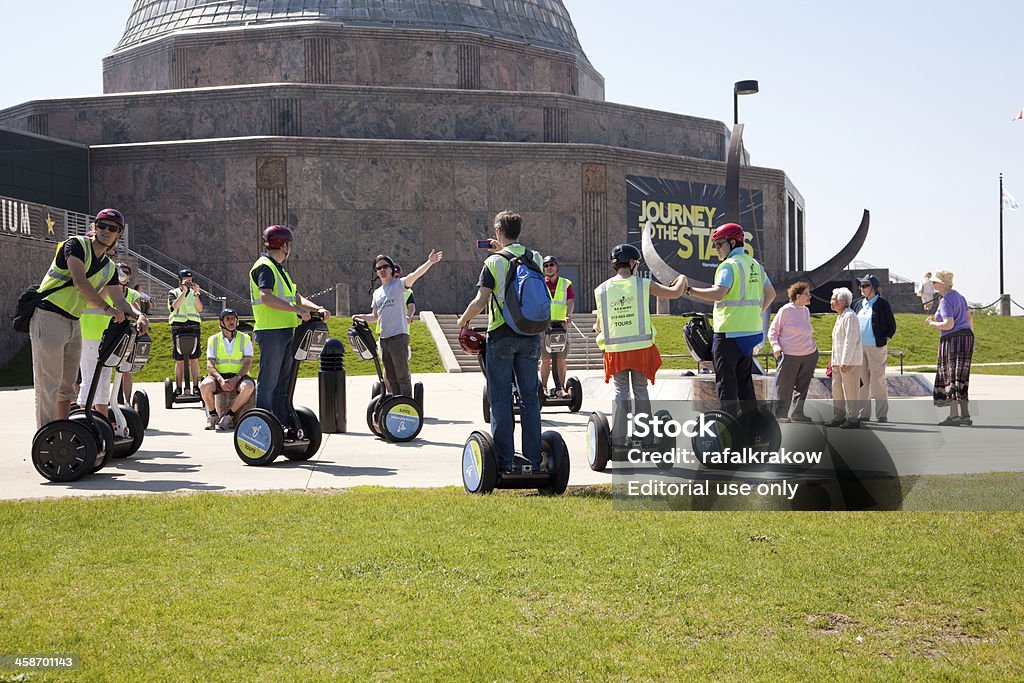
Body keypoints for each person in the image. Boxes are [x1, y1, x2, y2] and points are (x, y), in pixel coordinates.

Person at [30, 209, 150, 430]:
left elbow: (121, 301)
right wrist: (108, 309)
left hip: (73, 322)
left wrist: (139, 315)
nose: (106, 230)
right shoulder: (75, 245)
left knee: (67, 386)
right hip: (49, 316)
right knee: (48, 385)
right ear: (94, 227)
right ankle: (46, 438)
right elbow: (80, 282)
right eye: (102, 225)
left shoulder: (108, 268)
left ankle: (62, 432)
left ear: (118, 234)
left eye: (112, 228)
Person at [456, 210, 544, 473]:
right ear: (518, 230)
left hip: (502, 335)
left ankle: (506, 461)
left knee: (501, 399)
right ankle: (534, 461)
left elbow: (480, 300)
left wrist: (463, 321)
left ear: (498, 232)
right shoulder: (535, 257)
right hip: (530, 334)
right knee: (530, 399)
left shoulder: (494, 262)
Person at [594, 244, 686, 445]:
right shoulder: (643, 284)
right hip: (640, 350)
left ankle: (617, 439)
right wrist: (682, 279)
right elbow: (675, 292)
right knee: (641, 390)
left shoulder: (601, 290)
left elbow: (600, 324)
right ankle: (645, 437)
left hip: (615, 351)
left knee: (620, 392)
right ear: (633, 263)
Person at [685, 223, 776, 411]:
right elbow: (771, 294)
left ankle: (729, 429)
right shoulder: (755, 265)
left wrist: (690, 291)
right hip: (750, 333)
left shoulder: (728, 266)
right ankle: (752, 429)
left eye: (719, 244)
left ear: (732, 242)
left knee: (726, 385)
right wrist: (756, 311)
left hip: (728, 334)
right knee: (745, 383)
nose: (717, 249)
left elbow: (719, 293)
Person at [249, 225, 331, 427]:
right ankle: (262, 426)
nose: (290, 248)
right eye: (289, 244)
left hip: (286, 330)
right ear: (284, 245)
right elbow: (266, 297)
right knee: (269, 382)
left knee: (282, 384)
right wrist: (297, 311)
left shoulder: (279, 269)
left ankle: (281, 424)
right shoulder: (265, 266)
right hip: (271, 331)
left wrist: (316, 308)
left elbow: (295, 297)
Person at [353, 250, 443, 397]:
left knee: (402, 376)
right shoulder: (377, 293)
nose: (382, 270)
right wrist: (359, 317)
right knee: (391, 377)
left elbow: (415, 275)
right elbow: (375, 316)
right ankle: (396, 404)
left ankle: (407, 406)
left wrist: (430, 262)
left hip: (399, 336)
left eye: (385, 266)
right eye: (378, 268)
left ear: (391, 269)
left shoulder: (399, 285)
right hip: (384, 339)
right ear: (376, 272)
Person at [76, 261, 148, 416]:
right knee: (89, 380)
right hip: (89, 336)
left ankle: (103, 421)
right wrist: (109, 281)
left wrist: (140, 315)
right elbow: (95, 299)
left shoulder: (112, 287)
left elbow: (124, 303)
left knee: (103, 382)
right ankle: (84, 418)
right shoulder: (96, 284)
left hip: (108, 338)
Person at [925, 270, 974, 426]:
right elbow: (969, 317)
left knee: (951, 376)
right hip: (966, 337)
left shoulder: (945, 300)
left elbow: (948, 324)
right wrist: (969, 336)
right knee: (962, 377)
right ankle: (965, 416)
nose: (933, 284)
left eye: (935, 282)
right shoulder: (960, 297)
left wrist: (932, 323)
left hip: (952, 339)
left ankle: (954, 416)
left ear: (942, 284)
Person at [767, 281, 818, 422]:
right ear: (797, 296)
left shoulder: (806, 311)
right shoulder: (786, 310)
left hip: (808, 355)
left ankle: (798, 413)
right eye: (807, 294)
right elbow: (773, 331)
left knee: (803, 386)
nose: (809, 297)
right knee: (785, 387)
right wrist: (776, 348)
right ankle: (781, 415)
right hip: (789, 355)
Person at [199, 308, 255, 431]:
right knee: (205, 385)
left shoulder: (245, 338)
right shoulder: (213, 340)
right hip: (219, 377)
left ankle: (229, 415)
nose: (231, 322)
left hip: (239, 376)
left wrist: (236, 378)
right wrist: (220, 379)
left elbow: (248, 363)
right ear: (221, 323)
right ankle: (213, 415)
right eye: (228, 319)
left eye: (233, 319)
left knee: (249, 386)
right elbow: (210, 365)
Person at [853, 274, 897, 423]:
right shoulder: (857, 304)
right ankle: (863, 413)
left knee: (878, 380)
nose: (862, 288)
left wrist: (885, 339)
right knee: (862, 381)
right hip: (859, 348)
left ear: (873, 288)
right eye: (861, 285)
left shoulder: (882, 304)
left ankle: (882, 414)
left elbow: (891, 325)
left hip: (876, 347)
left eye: (865, 286)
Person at [827, 287, 864, 429]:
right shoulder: (840, 316)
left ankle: (854, 419)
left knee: (851, 390)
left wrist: (845, 361)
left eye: (833, 299)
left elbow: (851, 340)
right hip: (837, 362)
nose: (831, 302)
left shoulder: (850, 316)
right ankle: (838, 417)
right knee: (837, 391)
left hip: (848, 362)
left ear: (842, 302)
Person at [540, 255, 575, 398]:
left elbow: (570, 300)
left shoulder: (566, 283)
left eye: (551, 265)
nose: (549, 267)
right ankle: (543, 387)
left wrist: (568, 315)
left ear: (557, 267)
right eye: (546, 265)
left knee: (561, 358)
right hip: (544, 324)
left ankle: (560, 388)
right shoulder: (540, 283)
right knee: (545, 359)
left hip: (561, 324)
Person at [114, 262, 150, 400]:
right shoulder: (108, 290)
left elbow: (136, 310)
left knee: (126, 369)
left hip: (127, 334)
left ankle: (126, 401)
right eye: (120, 271)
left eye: (126, 273)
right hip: (111, 332)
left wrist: (140, 317)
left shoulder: (133, 294)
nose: (123, 275)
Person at [167, 269, 204, 397]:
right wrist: (184, 292)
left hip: (193, 326)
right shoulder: (173, 292)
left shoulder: (195, 293)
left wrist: (196, 294)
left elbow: (199, 309)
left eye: (190, 280)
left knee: (194, 358)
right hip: (178, 326)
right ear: (180, 280)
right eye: (186, 280)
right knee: (180, 360)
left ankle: (195, 387)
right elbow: (175, 306)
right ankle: (178, 387)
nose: (189, 282)